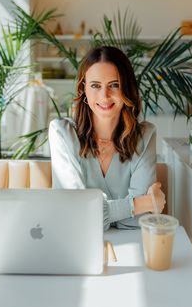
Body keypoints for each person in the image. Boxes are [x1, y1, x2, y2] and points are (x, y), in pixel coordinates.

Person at [49, 46, 166, 230]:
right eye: (95, 85)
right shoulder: (62, 133)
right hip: (77, 247)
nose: (104, 96)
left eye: (114, 85)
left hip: (131, 247)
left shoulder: (145, 135)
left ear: (126, 89)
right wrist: (141, 204)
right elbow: (74, 214)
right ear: (83, 90)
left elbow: (138, 221)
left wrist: (95, 213)